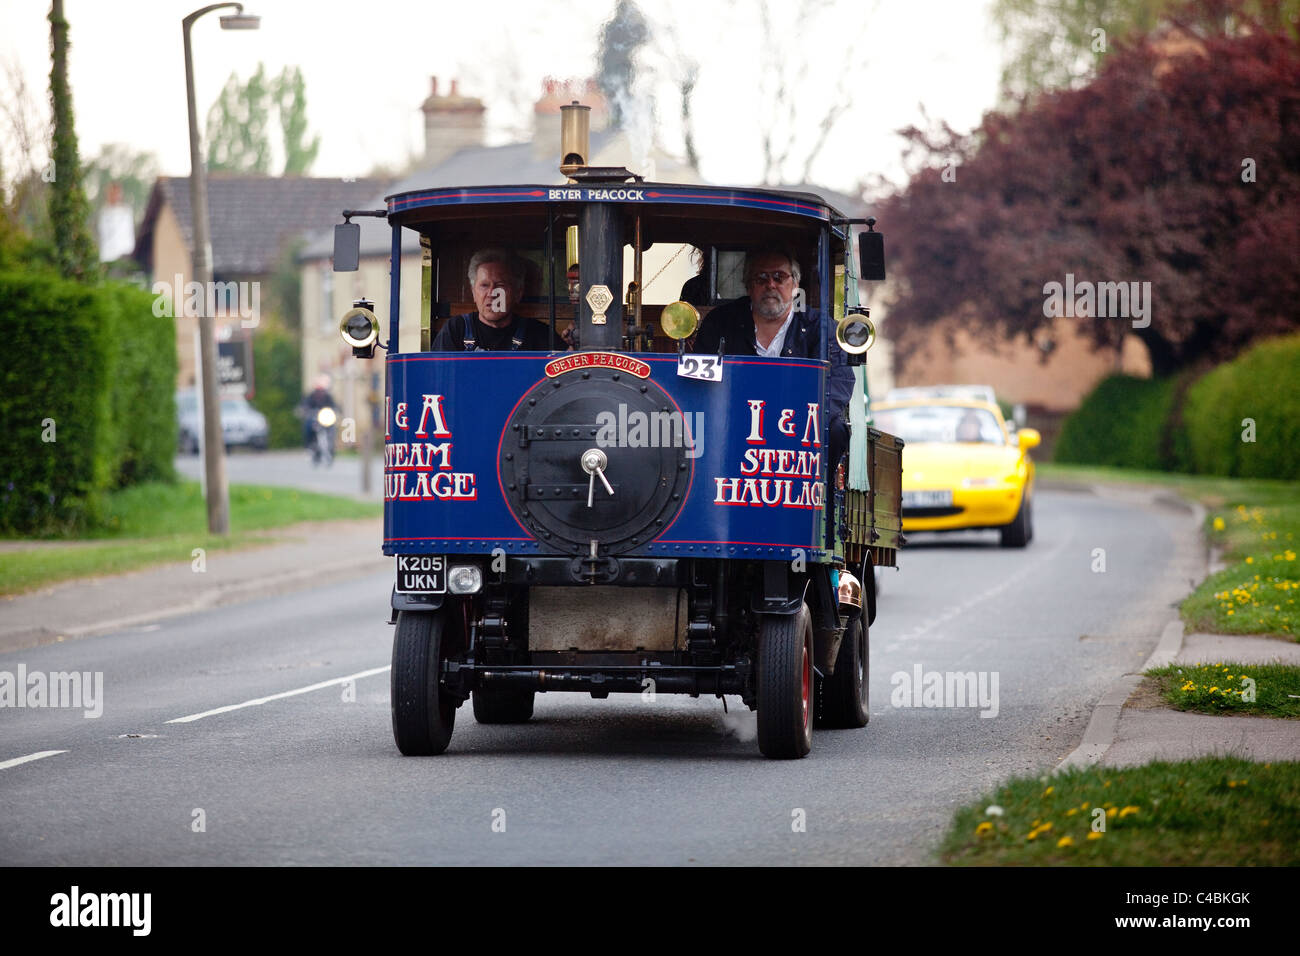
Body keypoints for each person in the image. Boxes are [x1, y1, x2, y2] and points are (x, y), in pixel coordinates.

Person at [692, 247, 855, 468]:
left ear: (795, 284)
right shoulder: (720, 322)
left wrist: (798, 419)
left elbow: (839, 384)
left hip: (797, 426)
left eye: (779, 277)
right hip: (732, 420)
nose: (771, 285)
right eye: (761, 278)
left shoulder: (822, 328)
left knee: (834, 430)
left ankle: (820, 500)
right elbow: (699, 379)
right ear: (749, 286)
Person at [431, 248, 553, 351]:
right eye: (484, 285)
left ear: (518, 292)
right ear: (473, 292)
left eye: (500, 285)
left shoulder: (539, 333)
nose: (492, 293)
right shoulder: (456, 330)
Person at [299, 374, 337, 448]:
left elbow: (334, 405)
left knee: (333, 427)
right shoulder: (311, 396)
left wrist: (337, 409)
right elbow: (305, 404)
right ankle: (309, 444)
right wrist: (305, 409)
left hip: (325, 418)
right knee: (308, 426)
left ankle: (331, 444)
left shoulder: (327, 397)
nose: (320, 390)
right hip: (314, 418)